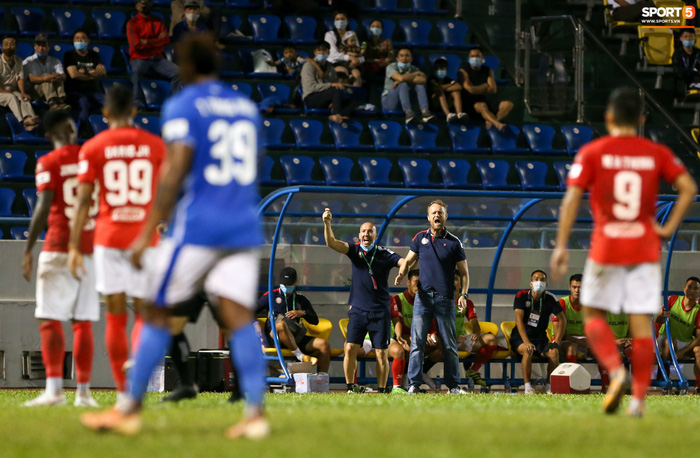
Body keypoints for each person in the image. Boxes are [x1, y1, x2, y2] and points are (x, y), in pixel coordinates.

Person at [80, 34, 269, 439]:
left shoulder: (183, 104)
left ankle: (128, 408)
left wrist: (148, 230)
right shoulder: (245, 107)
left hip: (199, 226)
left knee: (155, 310)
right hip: (242, 224)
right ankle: (255, 415)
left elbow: (176, 168)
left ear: (183, 66)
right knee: (239, 319)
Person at [551, 87, 697, 417]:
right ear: (641, 119)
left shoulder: (593, 152)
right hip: (644, 247)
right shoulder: (654, 152)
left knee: (592, 319)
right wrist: (667, 228)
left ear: (609, 117)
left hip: (607, 245)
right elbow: (688, 187)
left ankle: (617, 373)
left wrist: (561, 244)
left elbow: (572, 198)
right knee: (641, 326)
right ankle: (639, 401)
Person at [67, 84, 164, 404]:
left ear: (105, 113)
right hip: (145, 239)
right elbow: (169, 191)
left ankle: (124, 394)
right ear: (135, 111)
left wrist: (73, 247)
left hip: (108, 239)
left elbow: (83, 202)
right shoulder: (154, 145)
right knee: (146, 314)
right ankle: (138, 368)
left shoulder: (92, 148)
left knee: (115, 315)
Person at [21, 110, 99, 408]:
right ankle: (83, 394)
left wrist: (28, 249)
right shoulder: (90, 157)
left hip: (57, 246)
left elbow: (42, 208)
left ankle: (54, 390)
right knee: (83, 322)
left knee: (50, 319)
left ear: (47, 134)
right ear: (70, 128)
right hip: (89, 249)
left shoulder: (48, 162)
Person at [323, 209, 406, 393]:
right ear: (359, 235)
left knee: (381, 353)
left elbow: (404, 262)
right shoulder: (354, 250)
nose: (366, 234)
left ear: (375, 235)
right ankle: (350, 387)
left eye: (370, 231)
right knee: (350, 348)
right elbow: (331, 242)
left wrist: (403, 271)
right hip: (358, 310)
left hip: (379, 312)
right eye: (363, 231)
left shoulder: (384, 253)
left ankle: (383, 389)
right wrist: (327, 223)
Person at [394, 200, 470, 395]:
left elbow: (464, 274)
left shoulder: (454, 242)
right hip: (423, 299)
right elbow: (408, 260)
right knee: (417, 343)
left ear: (446, 217)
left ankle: (453, 387)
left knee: (449, 345)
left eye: (440, 213)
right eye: (434, 213)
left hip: (445, 299)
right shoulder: (420, 238)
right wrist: (402, 273)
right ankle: (413, 385)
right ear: (428, 217)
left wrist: (463, 295)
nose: (437, 216)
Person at [256, 267, 331, 373]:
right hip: (276, 339)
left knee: (324, 344)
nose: (287, 288)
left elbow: (315, 320)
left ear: (295, 282)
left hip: (295, 337)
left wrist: (302, 313)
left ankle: (321, 380)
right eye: (285, 285)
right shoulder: (270, 296)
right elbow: (250, 312)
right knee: (281, 325)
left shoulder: (301, 299)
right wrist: (255, 325)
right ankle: (300, 355)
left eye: (289, 285)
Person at [510, 270, 566, 394]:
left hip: (540, 338)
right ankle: (528, 387)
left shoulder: (550, 298)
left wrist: (556, 342)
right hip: (520, 336)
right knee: (527, 349)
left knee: (554, 352)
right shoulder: (522, 295)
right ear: (531, 283)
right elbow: (518, 321)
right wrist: (526, 342)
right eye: (536, 279)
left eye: (542, 280)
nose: (539, 282)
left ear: (546, 284)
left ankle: (548, 386)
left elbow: (562, 320)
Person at [387, 269, 440, 393]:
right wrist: (420, 335)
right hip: (401, 337)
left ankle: (423, 371)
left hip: (419, 337)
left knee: (441, 347)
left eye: (422, 283)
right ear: (408, 283)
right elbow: (399, 324)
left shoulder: (427, 300)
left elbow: (432, 324)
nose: (419, 286)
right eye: (416, 282)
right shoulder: (398, 300)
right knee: (409, 345)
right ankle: (405, 384)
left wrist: (433, 335)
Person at [127, 0, 181, 109]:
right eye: (143, 3)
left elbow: (165, 40)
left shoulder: (157, 20)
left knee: (179, 72)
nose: (146, 5)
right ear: (137, 6)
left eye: (148, 2)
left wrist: (146, 41)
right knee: (136, 72)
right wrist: (156, 40)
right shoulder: (132, 23)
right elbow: (136, 45)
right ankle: (137, 101)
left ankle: (176, 101)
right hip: (140, 57)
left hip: (157, 58)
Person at [452, 270, 498, 387]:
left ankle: (473, 371)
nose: (453, 282)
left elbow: (474, 321)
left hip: (461, 339)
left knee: (491, 339)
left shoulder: (466, 302)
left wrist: (476, 332)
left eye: (456, 279)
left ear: (461, 284)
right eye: (450, 279)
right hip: (444, 340)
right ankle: (452, 384)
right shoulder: (439, 301)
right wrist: (453, 337)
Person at [655, 277, 700, 392]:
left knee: (698, 350)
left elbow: (699, 338)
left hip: (684, 342)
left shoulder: (698, 310)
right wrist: (663, 315)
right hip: (666, 338)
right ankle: (663, 380)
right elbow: (658, 319)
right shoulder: (673, 299)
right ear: (684, 289)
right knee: (670, 342)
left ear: (699, 293)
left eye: (696, 288)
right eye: (689, 287)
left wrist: (682, 351)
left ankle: (698, 387)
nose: (692, 290)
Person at [301, 41, 357, 124]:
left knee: (352, 99)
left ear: (328, 52)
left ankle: (339, 115)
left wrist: (334, 98)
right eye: (319, 51)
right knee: (335, 89)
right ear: (315, 52)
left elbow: (335, 86)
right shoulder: (308, 66)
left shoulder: (330, 67)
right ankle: (336, 114)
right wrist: (330, 85)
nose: (322, 53)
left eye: (325, 51)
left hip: (326, 97)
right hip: (311, 98)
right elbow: (311, 87)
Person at [63, 30, 106, 135]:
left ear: (88, 41)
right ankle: (84, 133)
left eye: (82, 38)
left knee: (110, 102)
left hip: (93, 91)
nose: (79, 40)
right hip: (74, 92)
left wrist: (85, 72)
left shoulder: (94, 55)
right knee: (84, 103)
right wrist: (93, 73)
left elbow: (103, 72)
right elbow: (73, 75)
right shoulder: (69, 55)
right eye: (77, 38)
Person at [459, 47, 512, 131]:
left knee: (508, 104)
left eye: (477, 56)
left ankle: (493, 120)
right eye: (472, 56)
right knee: (481, 105)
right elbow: (471, 90)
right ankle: (497, 124)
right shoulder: (464, 71)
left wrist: (477, 90)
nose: (475, 58)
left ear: (482, 58)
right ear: (469, 58)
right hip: (470, 104)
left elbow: (493, 89)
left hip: (485, 102)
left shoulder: (488, 70)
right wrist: (484, 86)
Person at [382, 47, 433, 124]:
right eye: (401, 56)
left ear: (411, 58)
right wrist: (415, 74)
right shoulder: (391, 67)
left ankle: (425, 112)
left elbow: (423, 80)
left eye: (407, 55)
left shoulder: (414, 68)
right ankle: (408, 113)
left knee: (419, 85)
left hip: (406, 99)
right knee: (402, 84)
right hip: (390, 100)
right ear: (397, 58)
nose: (404, 58)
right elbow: (401, 78)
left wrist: (403, 79)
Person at [23, 34, 70, 111]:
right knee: (46, 78)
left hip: (51, 91)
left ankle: (60, 102)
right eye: (39, 45)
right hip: (34, 92)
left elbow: (64, 76)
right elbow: (31, 78)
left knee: (58, 78)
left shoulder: (55, 61)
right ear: (35, 46)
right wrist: (46, 77)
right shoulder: (28, 61)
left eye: (44, 45)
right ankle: (52, 104)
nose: (41, 48)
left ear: (49, 47)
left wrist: (57, 77)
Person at [0, 36, 39, 130]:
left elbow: (20, 79)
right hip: (1, 92)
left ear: (16, 47)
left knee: (23, 98)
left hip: (12, 90)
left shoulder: (19, 60)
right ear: (2, 47)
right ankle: (23, 122)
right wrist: (8, 92)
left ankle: (30, 119)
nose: (9, 46)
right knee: (11, 97)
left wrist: (22, 92)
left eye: (12, 44)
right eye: (6, 44)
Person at [554, 273, 589, 363]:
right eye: (574, 287)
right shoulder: (562, 303)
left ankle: (609, 377)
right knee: (571, 348)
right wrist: (577, 341)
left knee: (602, 350)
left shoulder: (588, 306)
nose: (577, 290)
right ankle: (570, 376)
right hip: (563, 340)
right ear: (569, 287)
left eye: (580, 287)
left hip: (582, 340)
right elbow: (558, 333)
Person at [325, 11, 364, 81]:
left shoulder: (352, 34)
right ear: (334, 21)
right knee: (343, 73)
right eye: (337, 19)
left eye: (342, 19)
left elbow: (359, 53)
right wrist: (350, 57)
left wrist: (357, 61)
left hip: (351, 64)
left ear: (347, 21)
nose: (340, 21)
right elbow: (333, 54)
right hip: (335, 63)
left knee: (356, 75)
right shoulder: (330, 35)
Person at [428, 57, 465, 123]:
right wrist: (450, 85)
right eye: (438, 69)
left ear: (446, 70)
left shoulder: (448, 79)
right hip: (434, 105)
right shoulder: (431, 78)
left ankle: (459, 114)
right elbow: (437, 88)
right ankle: (448, 115)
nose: (440, 70)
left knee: (455, 92)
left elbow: (459, 87)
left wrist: (443, 87)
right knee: (440, 91)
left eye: (442, 68)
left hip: (448, 103)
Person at [672, 28, 700, 99]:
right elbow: (678, 72)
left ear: (695, 39)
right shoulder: (677, 54)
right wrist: (693, 72)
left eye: (691, 36)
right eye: (686, 37)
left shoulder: (698, 53)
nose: (688, 39)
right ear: (681, 39)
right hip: (683, 82)